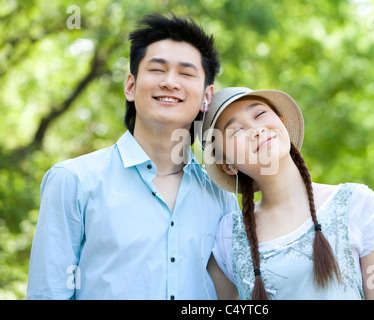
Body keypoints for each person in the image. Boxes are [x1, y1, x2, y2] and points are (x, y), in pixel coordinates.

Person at [27, 13, 239, 300]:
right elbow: (48, 293)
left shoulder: (221, 193)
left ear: (206, 97)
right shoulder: (73, 181)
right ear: (130, 86)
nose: (170, 82)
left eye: (186, 74)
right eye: (157, 69)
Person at [203, 87, 374, 300]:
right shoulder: (228, 236)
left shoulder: (356, 204)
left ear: (282, 122)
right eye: (236, 131)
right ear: (227, 165)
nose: (256, 130)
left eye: (260, 114)